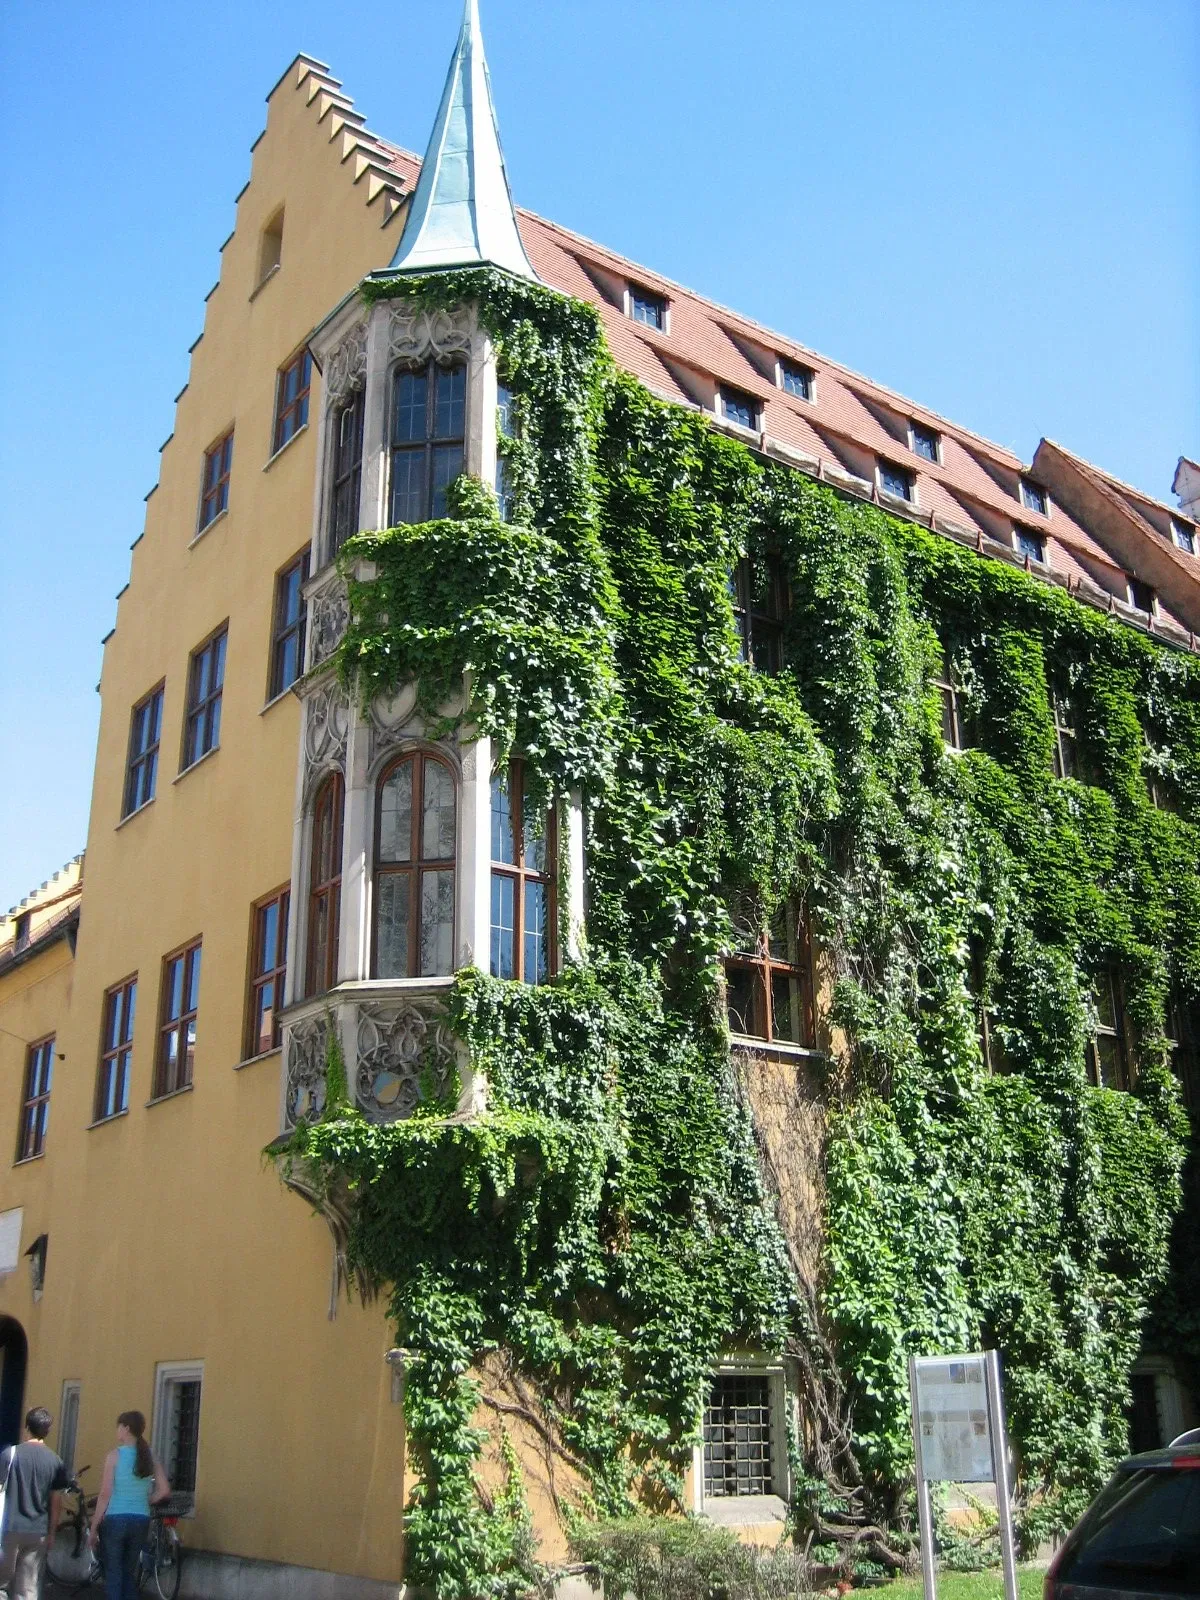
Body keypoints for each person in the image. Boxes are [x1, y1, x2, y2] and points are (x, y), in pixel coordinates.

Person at [88, 1411, 170, 1600]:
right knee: (128, 1572)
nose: (117, 1431)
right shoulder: (150, 1456)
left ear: (126, 1428)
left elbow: (105, 1494)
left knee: (114, 1572)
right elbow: (164, 1490)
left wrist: (93, 1527)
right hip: (141, 1519)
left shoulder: (114, 1456)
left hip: (116, 1518)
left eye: (119, 1427)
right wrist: (146, 1500)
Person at [0, 1405, 70, 1600]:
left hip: (10, 1529)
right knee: (27, 1588)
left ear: (26, 1428)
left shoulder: (10, 1455)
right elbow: (56, 1501)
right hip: (38, 1531)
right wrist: (52, 1533)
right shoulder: (55, 1461)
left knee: (2, 1584)